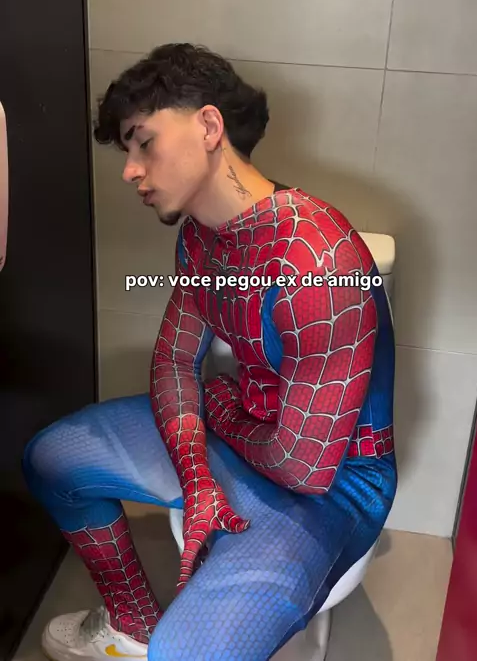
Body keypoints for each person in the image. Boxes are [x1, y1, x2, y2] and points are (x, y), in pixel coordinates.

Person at [23, 44, 397, 661]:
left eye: (144, 142)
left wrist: (219, 413)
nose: (130, 171)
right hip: (248, 433)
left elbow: (304, 469)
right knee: (53, 458)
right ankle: (133, 624)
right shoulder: (203, 236)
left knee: (187, 652)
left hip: (330, 484)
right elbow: (175, 361)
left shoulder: (321, 264)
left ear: (208, 126)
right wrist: (197, 476)